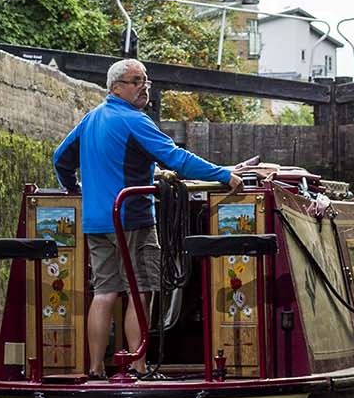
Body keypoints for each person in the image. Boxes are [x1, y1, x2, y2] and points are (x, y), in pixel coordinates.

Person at [53, 57, 251, 379]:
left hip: (96, 222)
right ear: (115, 87)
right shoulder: (135, 121)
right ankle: (138, 365)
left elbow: (61, 158)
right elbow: (177, 158)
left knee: (104, 292)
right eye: (136, 81)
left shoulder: (91, 119)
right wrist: (223, 174)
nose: (144, 87)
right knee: (140, 289)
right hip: (132, 220)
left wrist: (72, 187)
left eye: (146, 80)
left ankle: (95, 369)